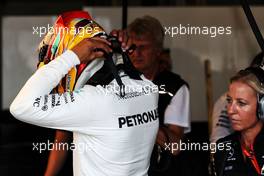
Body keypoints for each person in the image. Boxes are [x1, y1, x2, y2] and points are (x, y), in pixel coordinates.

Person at [10, 11, 159, 176]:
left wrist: (71, 56)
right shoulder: (148, 87)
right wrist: (114, 49)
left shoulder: (94, 100)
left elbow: (20, 106)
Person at [112, 16, 190, 175]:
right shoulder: (117, 82)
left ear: (158, 50)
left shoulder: (174, 86)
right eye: (132, 47)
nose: (137, 53)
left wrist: (141, 116)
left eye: (144, 47)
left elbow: (174, 146)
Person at [212, 64, 264, 176]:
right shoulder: (223, 147)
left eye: (241, 103)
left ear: (262, 106)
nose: (230, 110)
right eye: (229, 101)